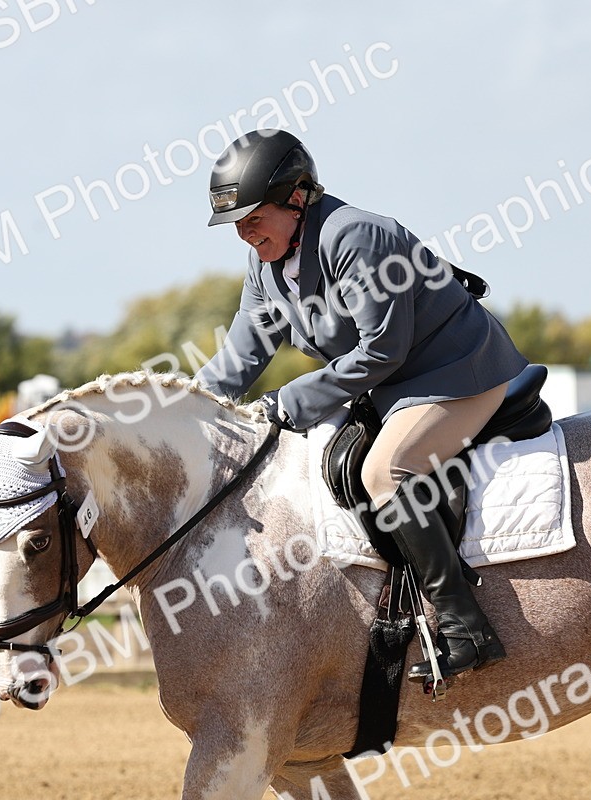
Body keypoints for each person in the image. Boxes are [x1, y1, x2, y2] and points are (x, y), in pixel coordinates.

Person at [196, 129, 529, 679]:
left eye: (253, 217)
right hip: (390, 388)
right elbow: (237, 362)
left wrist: (288, 400)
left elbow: (382, 349)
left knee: (386, 472)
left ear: (297, 197)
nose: (244, 233)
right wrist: (185, 410)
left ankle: (465, 625)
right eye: (237, 223)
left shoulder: (357, 236)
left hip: (456, 374)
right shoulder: (266, 264)